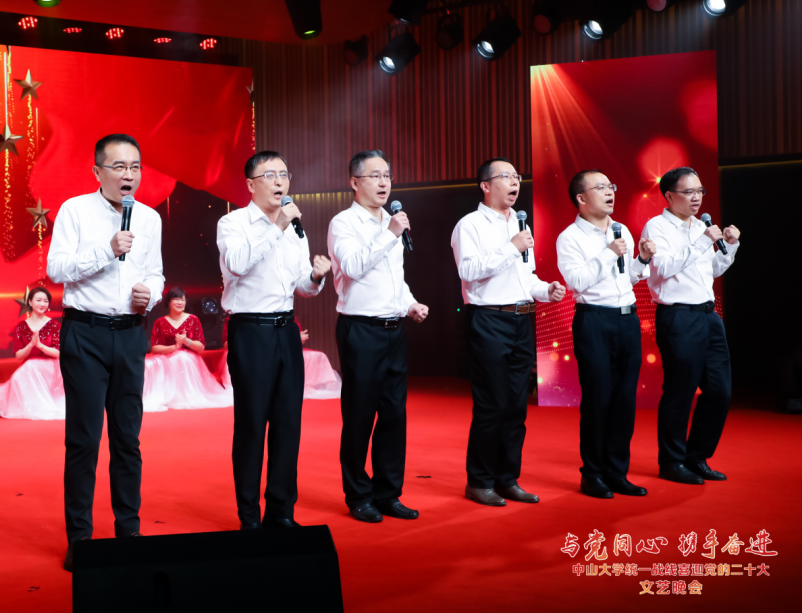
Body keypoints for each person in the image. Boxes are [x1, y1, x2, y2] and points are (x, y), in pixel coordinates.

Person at [47, 133, 164, 571]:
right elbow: (56, 269)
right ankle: (80, 537)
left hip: (131, 335)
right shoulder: (74, 211)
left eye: (134, 166)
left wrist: (150, 293)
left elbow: (155, 271)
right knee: (83, 440)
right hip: (85, 333)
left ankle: (128, 530)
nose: (128, 174)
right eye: (118, 166)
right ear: (98, 171)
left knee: (128, 439)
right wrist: (106, 250)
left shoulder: (149, 217)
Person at [217, 150, 331, 530]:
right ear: (251, 185)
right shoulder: (233, 223)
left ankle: (281, 512)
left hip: (286, 331)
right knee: (252, 425)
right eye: (270, 175)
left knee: (287, 425)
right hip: (250, 332)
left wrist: (316, 277)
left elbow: (301, 287)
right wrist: (277, 226)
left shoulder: (295, 228)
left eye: (284, 173)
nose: (280, 181)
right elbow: (237, 264)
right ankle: (249, 517)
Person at [450, 158, 566, 507]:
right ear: (486, 186)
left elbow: (525, 276)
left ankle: (507, 479)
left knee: (516, 406)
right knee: (492, 403)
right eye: (506, 176)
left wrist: (546, 290)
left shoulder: (519, 223)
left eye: (517, 176)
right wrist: (511, 246)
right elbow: (469, 271)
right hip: (489, 320)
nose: (515, 182)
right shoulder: (469, 225)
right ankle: (479, 481)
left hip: (521, 320)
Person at [328, 150, 429, 523]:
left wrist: (410, 304)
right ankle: (359, 496)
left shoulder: (391, 221)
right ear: (354, 182)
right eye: (375, 175)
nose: (384, 182)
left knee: (393, 415)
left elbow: (394, 278)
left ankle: (388, 493)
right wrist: (390, 234)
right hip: (360, 330)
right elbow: (354, 267)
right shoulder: (344, 223)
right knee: (359, 415)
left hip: (393, 329)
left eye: (387, 175)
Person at [556, 171, 656, 499]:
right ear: (581, 198)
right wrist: (610, 252)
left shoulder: (621, 229)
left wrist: (641, 259)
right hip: (594, 321)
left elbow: (629, 279)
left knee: (625, 400)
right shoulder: (569, 237)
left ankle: (617, 472)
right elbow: (577, 281)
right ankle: (593, 474)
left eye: (610, 186)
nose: (609, 192)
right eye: (600, 187)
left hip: (627, 320)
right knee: (598, 399)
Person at [640, 167, 739, 485]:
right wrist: (701, 242)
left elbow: (712, 269)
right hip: (678, 316)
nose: (697, 198)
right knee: (680, 391)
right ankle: (671, 462)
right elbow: (663, 268)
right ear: (669, 196)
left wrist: (730, 245)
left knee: (720, 391)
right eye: (689, 192)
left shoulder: (701, 226)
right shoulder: (656, 226)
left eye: (700, 191)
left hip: (709, 316)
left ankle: (697, 457)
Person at [144, 287, 232, 412]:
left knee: (182, 358)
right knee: (150, 363)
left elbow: (201, 347)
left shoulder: (193, 319)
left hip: (188, 357)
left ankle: (183, 396)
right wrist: (174, 347)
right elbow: (155, 348)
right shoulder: (160, 322)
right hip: (167, 356)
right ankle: (165, 396)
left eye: (183, 300)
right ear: (168, 302)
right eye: (176, 299)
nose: (180, 302)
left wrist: (186, 341)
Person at [0, 287, 64, 420]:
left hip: (52, 366)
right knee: (28, 367)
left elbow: (59, 353)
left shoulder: (55, 325)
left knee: (30, 366)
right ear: (30, 302)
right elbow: (19, 356)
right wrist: (30, 345)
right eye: (39, 300)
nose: (42, 304)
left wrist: (41, 346)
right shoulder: (20, 326)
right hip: (29, 366)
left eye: (46, 301)